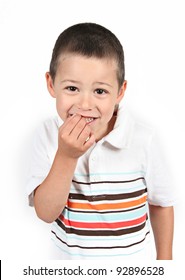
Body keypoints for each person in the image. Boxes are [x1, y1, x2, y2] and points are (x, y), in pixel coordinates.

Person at [26, 22, 176, 260]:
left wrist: (166, 264)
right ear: (51, 84)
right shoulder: (46, 135)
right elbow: (45, 213)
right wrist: (66, 155)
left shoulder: (143, 139)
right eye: (72, 88)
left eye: (100, 91)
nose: (85, 105)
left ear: (120, 91)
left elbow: (161, 204)